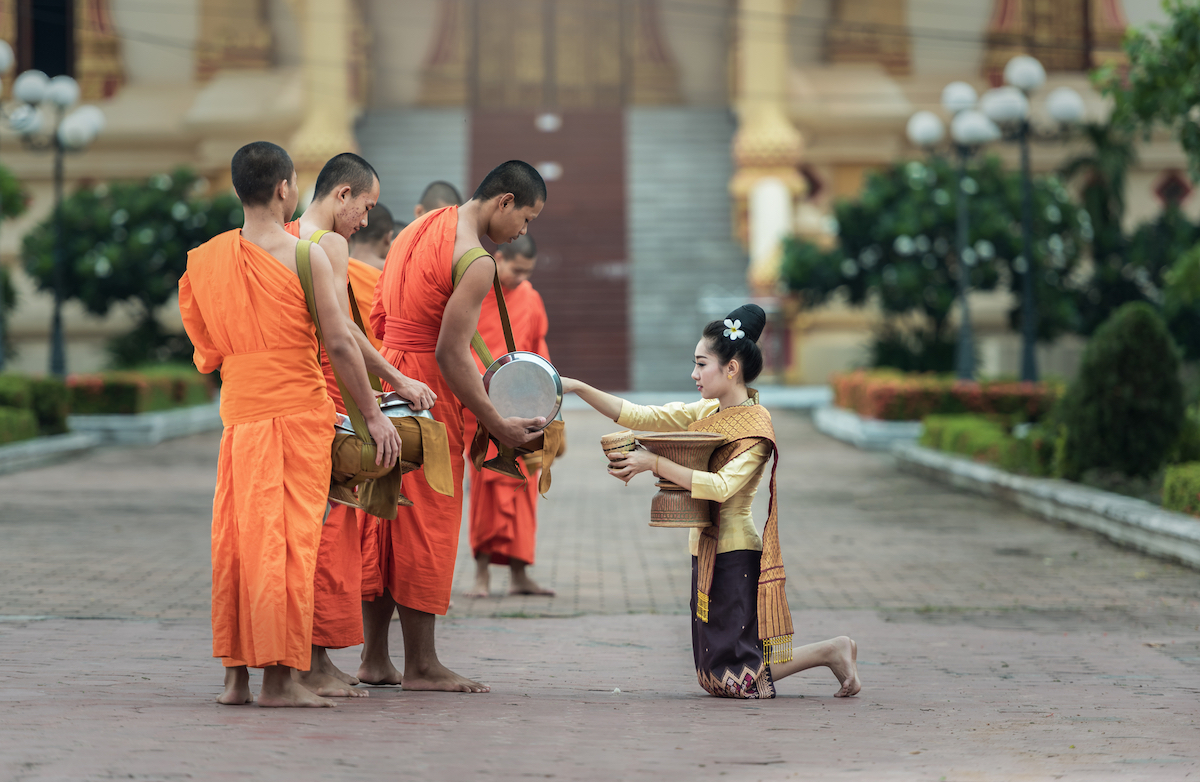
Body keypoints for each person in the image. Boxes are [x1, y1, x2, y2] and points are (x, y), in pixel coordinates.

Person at [179, 141, 401, 707]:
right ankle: (279, 680)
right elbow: (341, 344)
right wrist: (372, 415)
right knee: (287, 545)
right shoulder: (308, 256)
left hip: (240, 418)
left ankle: (237, 678)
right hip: (299, 415)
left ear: (237, 191)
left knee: (237, 541)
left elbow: (206, 352)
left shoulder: (204, 260)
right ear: (285, 189)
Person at [562, 304, 862, 700]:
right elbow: (640, 414)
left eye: (702, 364)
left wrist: (653, 462)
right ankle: (831, 650)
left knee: (735, 677)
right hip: (706, 548)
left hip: (736, 552)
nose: (694, 374)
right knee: (715, 673)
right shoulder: (707, 410)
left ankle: (830, 650)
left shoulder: (755, 428)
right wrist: (579, 388)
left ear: (731, 368)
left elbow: (720, 487)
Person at [359, 160, 548, 693]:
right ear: (504, 201)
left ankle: (375, 658)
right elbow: (450, 352)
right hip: (425, 391)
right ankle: (421, 664)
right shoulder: (476, 259)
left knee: (385, 515)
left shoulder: (418, 227)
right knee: (425, 519)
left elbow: (377, 314)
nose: (522, 233)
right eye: (527, 219)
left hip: (389, 377)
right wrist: (498, 424)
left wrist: (386, 377)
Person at [285, 155, 436, 699]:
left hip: (286, 398)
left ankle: (304, 658)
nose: (367, 220)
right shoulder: (326, 245)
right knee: (328, 532)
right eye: (366, 207)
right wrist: (383, 400)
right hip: (325, 398)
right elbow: (343, 334)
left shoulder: (281, 237)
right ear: (342, 194)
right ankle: (313, 662)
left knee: (303, 531)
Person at [462, 234, 555, 598]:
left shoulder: (530, 297)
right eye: (515, 269)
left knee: (524, 488)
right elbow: (459, 343)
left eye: (527, 272)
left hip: (523, 407)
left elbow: (539, 347)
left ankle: (519, 574)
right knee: (486, 489)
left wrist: (547, 401)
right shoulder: (475, 289)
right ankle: (481, 575)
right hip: (483, 404)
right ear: (499, 257)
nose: (519, 277)